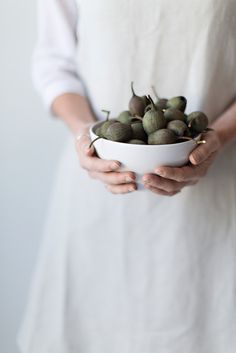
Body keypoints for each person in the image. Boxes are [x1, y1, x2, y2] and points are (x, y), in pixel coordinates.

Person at [18, 0, 236, 352]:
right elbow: (54, 61)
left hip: (220, 206)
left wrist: (221, 135)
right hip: (96, 200)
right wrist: (85, 134)